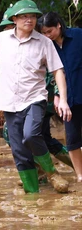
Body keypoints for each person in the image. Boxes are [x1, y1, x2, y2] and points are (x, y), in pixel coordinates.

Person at [0, 0, 71, 194]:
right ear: (15, 18)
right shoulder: (1, 39)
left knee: (31, 135)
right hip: (9, 102)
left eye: (32, 16)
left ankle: (51, 171)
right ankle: (32, 196)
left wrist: (62, 99)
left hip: (34, 98)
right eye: (24, 16)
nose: (29, 20)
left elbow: (57, 71)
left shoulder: (44, 42)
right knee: (19, 151)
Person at [39, 12, 82, 181]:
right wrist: (57, 94)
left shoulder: (78, 36)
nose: (47, 36)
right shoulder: (48, 46)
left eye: (49, 31)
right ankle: (79, 174)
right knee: (72, 138)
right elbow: (53, 73)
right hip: (67, 99)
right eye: (44, 33)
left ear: (58, 25)